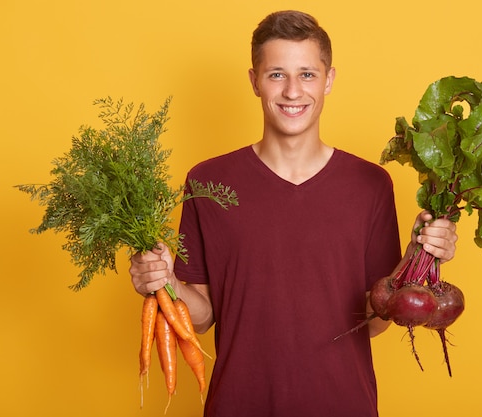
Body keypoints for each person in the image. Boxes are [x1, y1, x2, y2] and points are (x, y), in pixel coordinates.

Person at [130, 10, 458, 417]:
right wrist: (166, 282)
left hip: (344, 406)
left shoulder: (371, 185)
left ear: (329, 80)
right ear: (254, 81)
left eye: (306, 74)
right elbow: (201, 319)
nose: (292, 91)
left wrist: (418, 254)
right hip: (238, 405)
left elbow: (373, 323)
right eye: (276, 75)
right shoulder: (208, 182)